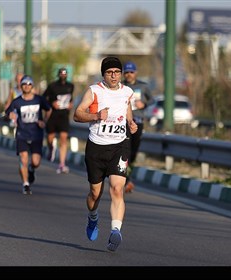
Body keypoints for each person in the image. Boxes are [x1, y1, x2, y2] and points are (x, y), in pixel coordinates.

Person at [73, 56, 138, 252]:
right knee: (95, 193)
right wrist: (96, 116)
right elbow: (77, 114)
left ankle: (115, 231)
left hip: (120, 146)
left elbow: (126, 108)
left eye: (117, 72)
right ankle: (93, 217)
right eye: (110, 72)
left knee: (117, 189)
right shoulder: (94, 91)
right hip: (96, 148)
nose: (114, 76)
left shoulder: (127, 92)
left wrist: (131, 123)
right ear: (104, 74)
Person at [5, 75, 52, 195]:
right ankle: (25, 184)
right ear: (21, 87)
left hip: (36, 134)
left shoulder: (38, 99)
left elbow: (49, 109)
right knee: (23, 159)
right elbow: (8, 112)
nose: (27, 86)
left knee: (36, 162)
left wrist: (44, 122)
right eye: (24, 84)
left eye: (29, 84)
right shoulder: (17, 101)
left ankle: (31, 169)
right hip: (22, 134)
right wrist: (10, 115)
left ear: (32, 86)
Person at [122, 61, 154, 193]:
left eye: (131, 72)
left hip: (138, 121)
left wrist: (144, 103)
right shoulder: (120, 86)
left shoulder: (143, 86)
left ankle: (127, 177)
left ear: (136, 73)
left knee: (133, 152)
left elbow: (152, 100)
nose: (129, 75)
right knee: (125, 151)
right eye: (127, 72)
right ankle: (125, 180)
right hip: (123, 122)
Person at [42, 67, 74, 174]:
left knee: (63, 138)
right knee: (50, 138)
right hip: (53, 115)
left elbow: (71, 98)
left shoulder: (71, 86)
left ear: (67, 75)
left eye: (65, 74)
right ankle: (51, 148)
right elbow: (43, 98)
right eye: (61, 74)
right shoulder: (52, 86)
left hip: (64, 115)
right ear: (58, 75)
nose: (63, 76)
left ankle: (62, 163)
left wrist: (71, 104)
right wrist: (51, 104)